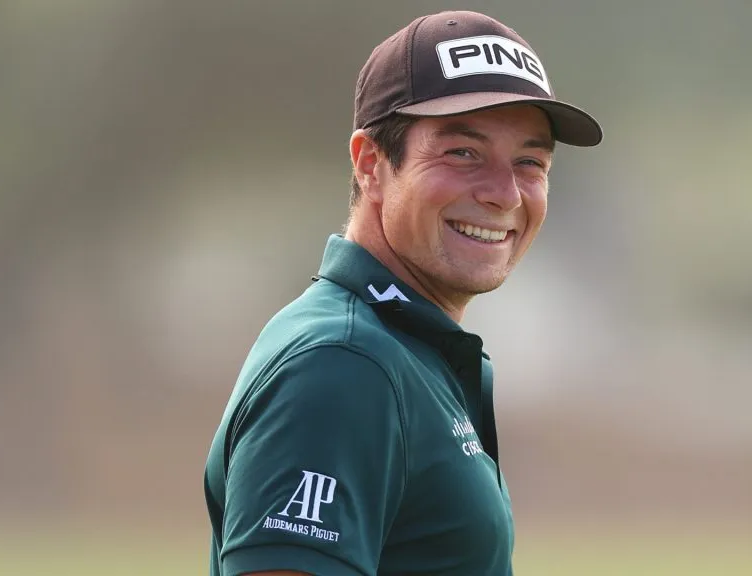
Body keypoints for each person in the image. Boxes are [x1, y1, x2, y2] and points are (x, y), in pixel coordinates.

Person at [203, 9, 602, 576]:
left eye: (529, 162)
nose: (505, 194)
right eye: (463, 153)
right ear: (371, 164)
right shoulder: (341, 365)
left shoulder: (402, 350)